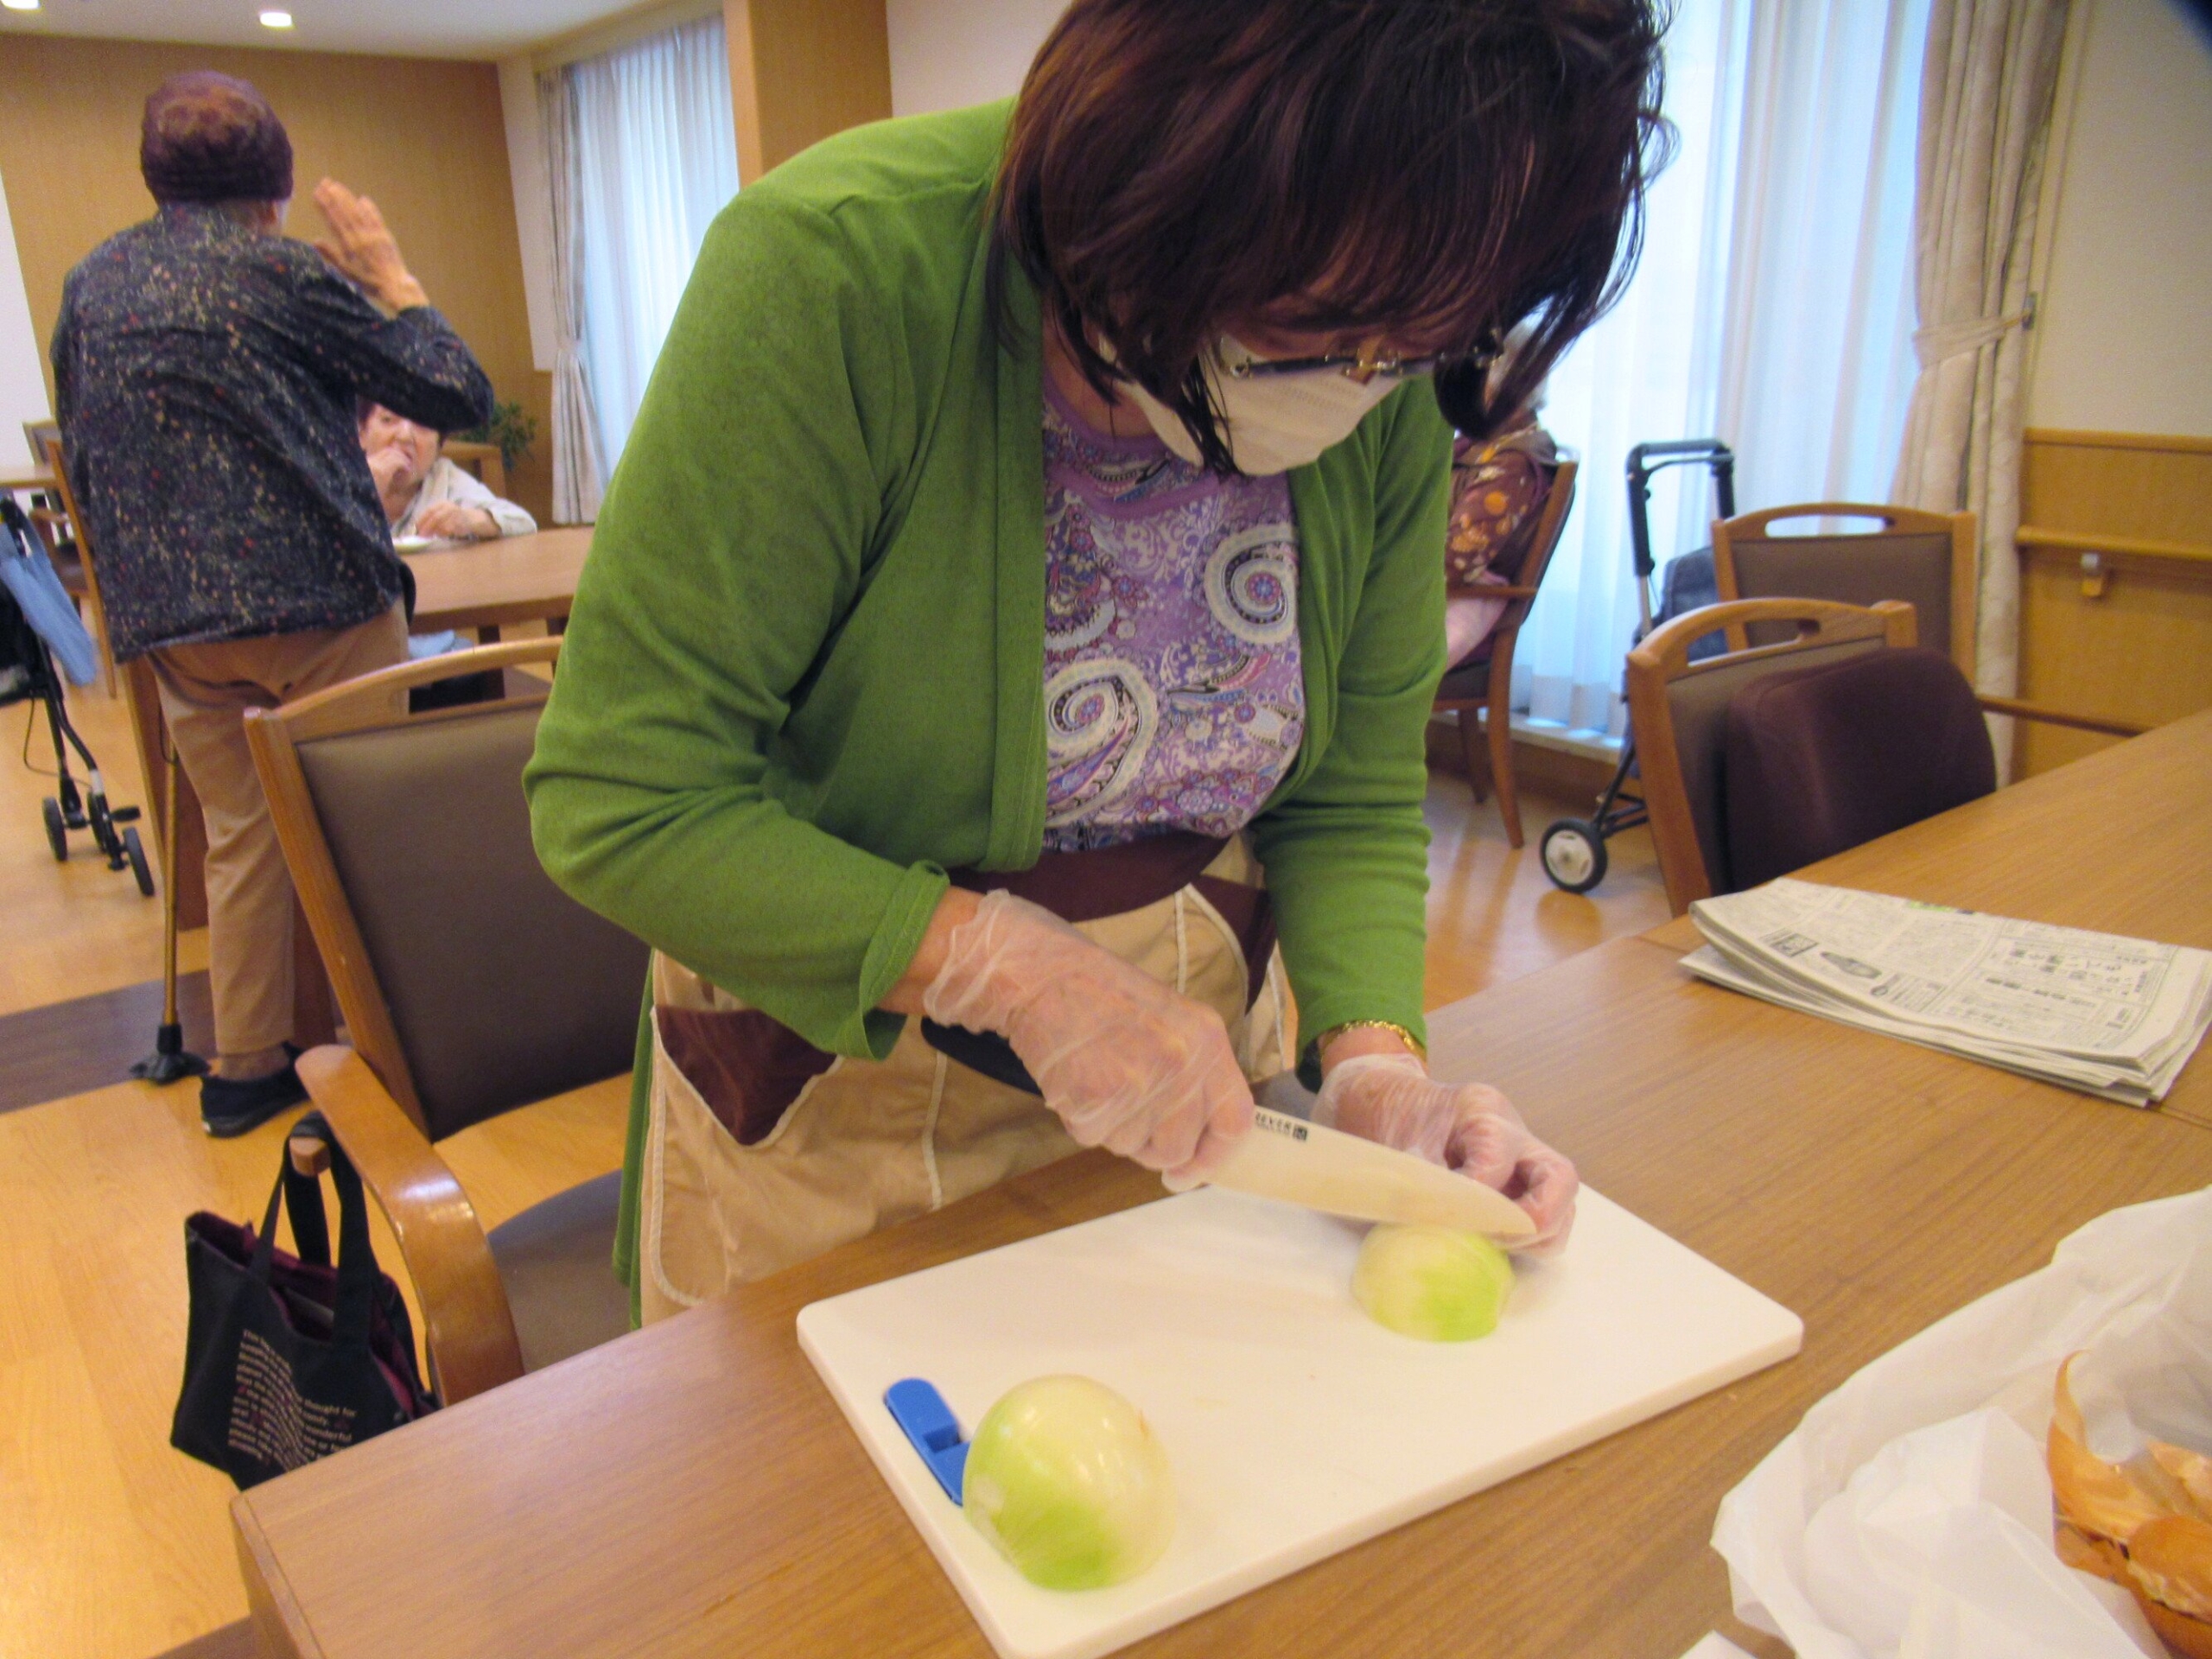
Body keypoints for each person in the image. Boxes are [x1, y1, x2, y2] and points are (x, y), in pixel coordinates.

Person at [525, 0, 1666, 1322]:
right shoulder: (839, 273)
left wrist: (1375, 1070)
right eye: (1313, 329)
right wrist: (1004, 968)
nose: (1360, 387)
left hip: (1192, 1081)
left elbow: (1347, 791)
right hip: (846, 1073)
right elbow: (623, 795)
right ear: (1159, 187)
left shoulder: (1390, 370)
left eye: (1411, 348)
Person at [52, 72, 493, 1135]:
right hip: (320, 602)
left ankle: (247, 1067)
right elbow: (457, 393)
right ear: (282, 182)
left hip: (177, 625)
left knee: (242, 836)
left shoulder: (93, 282)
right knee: (362, 825)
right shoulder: (282, 271)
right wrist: (389, 272)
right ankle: (382, 1056)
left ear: (154, 178)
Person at [1443, 367, 1560, 666]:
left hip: (1460, 604)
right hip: (1440, 595)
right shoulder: (1479, 444)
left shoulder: (1513, 464)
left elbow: (1455, 561)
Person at [359, 402, 536, 548]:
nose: (405, 436)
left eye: (423, 424)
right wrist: (360, 490)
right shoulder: (339, 476)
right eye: (388, 420)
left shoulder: (444, 478)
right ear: (361, 433)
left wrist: (469, 520)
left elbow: (524, 524)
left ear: (439, 446)